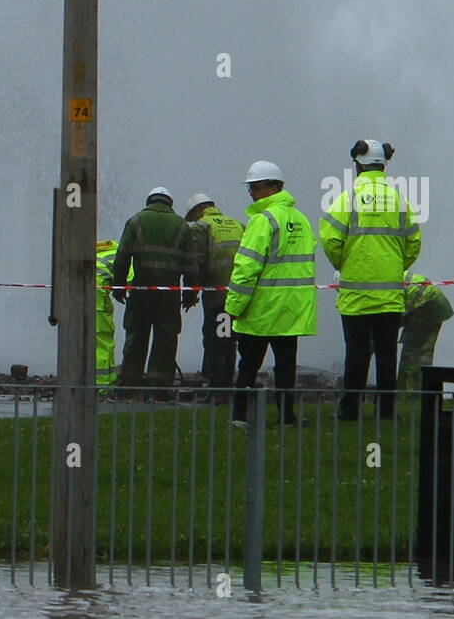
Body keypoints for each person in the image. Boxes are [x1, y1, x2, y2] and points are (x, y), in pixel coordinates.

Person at [319, 139, 421, 420]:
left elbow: (329, 239)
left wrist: (344, 264)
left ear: (358, 166)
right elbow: (413, 243)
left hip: (356, 294)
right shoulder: (399, 200)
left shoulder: (348, 198)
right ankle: (386, 411)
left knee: (356, 352)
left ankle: (350, 409)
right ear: (383, 165)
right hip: (389, 294)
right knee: (387, 354)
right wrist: (395, 266)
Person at [225, 161, 316, 426]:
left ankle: (240, 416)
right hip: (291, 309)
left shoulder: (262, 221)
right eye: (250, 188)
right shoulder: (301, 220)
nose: (251, 193)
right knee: (286, 366)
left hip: (261, 309)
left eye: (255, 187)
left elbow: (246, 268)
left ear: (273, 187)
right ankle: (287, 417)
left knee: (248, 365)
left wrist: (233, 307)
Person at [112, 187, 199, 389]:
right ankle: (158, 384)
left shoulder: (135, 221)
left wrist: (119, 286)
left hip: (141, 290)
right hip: (169, 293)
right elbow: (191, 265)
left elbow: (122, 257)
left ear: (149, 202)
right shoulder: (182, 226)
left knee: (136, 334)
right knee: (166, 337)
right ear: (170, 203)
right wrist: (190, 294)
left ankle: (130, 382)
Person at [183, 192, 245, 398]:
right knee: (228, 339)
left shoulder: (201, 227)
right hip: (238, 296)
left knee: (216, 342)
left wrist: (191, 293)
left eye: (192, 216)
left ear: (198, 211)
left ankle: (218, 391)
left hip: (217, 297)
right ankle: (225, 386)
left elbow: (195, 263)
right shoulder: (237, 225)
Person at [397, 271, 453, 391]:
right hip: (430, 302)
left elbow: (389, 319)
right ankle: (408, 392)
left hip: (427, 306)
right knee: (415, 354)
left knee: (414, 355)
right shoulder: (383, 275)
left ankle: (411, 394)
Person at [94, 239, 119, 386]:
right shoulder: (122, 255)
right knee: (103, 342)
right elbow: (132, 281)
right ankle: (102, 385)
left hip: (77, 297)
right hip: (97, 303)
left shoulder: (99, 252)